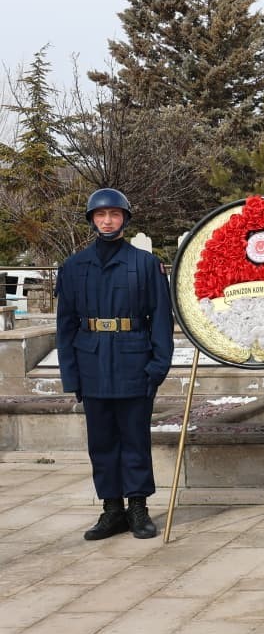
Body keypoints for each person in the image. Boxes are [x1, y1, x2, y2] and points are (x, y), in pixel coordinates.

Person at [56, 189, 174, 540]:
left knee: (134, 438)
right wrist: (71, 374)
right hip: (92, 363)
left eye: (115, 214)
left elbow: (162, 322)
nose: (107, 220)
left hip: (133, 362)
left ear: (125, 219)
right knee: (102, 441)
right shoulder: (74, 267)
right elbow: (65, 325)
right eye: (101, 215)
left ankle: (138, 508)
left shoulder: (145, 264)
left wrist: (157, 367)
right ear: (92, 220)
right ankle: (111, 510)